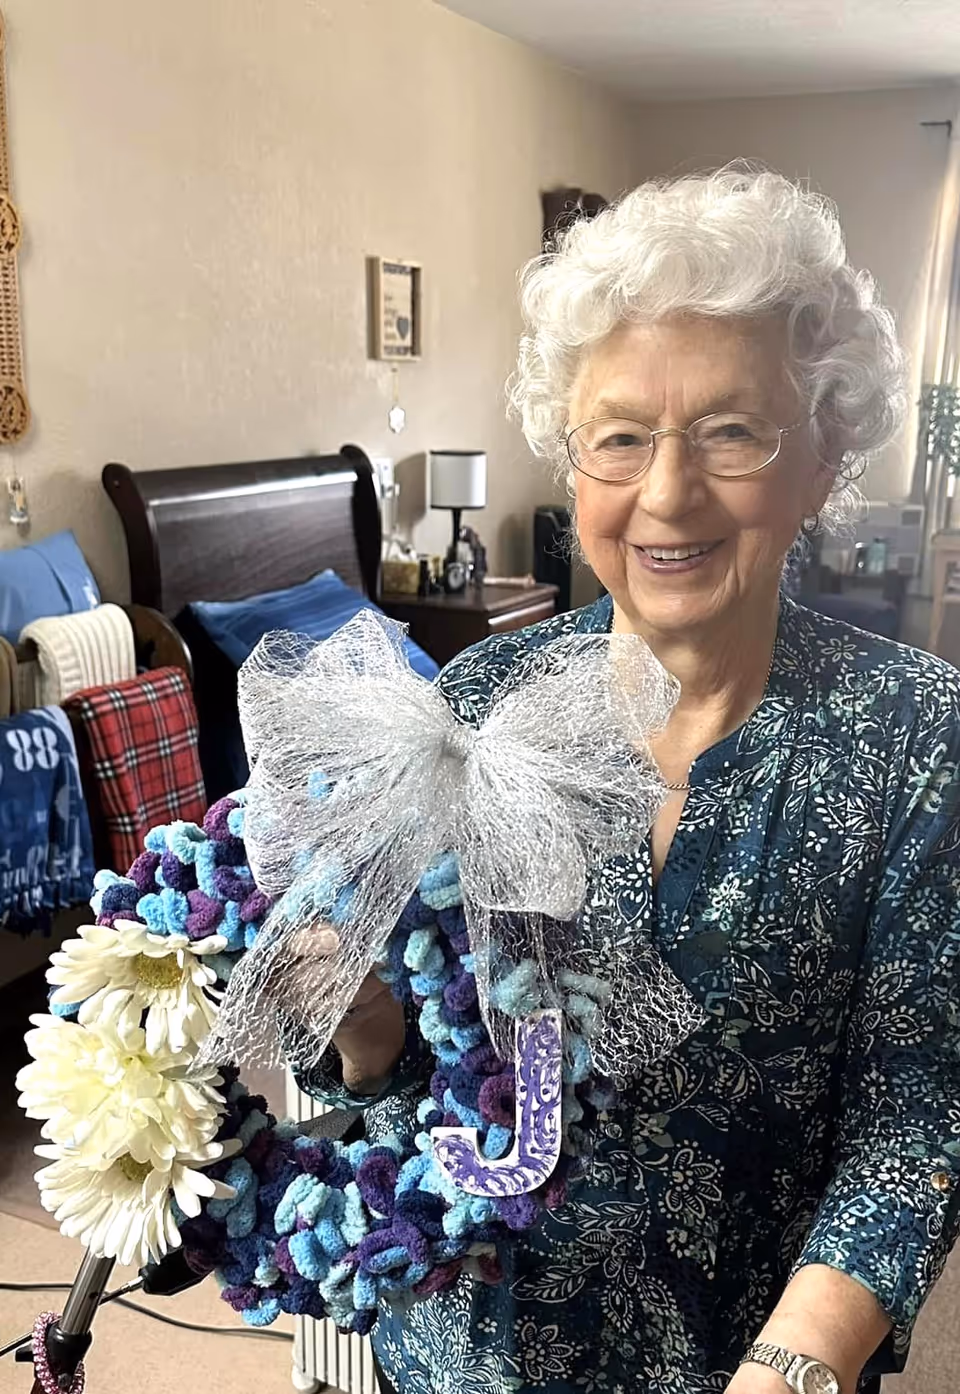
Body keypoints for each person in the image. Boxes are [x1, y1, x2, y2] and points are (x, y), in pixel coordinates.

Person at [305, 167, 960, 1394]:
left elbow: (917, 1117)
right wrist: (356, 1014)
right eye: (620, 436)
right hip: (458, 1361)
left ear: (823, 457)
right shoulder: (474, 702)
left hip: (750, 1362)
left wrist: (791, 1370)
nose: (667, 491)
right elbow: (404, 1076)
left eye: (732, 430)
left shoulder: (922, 738)